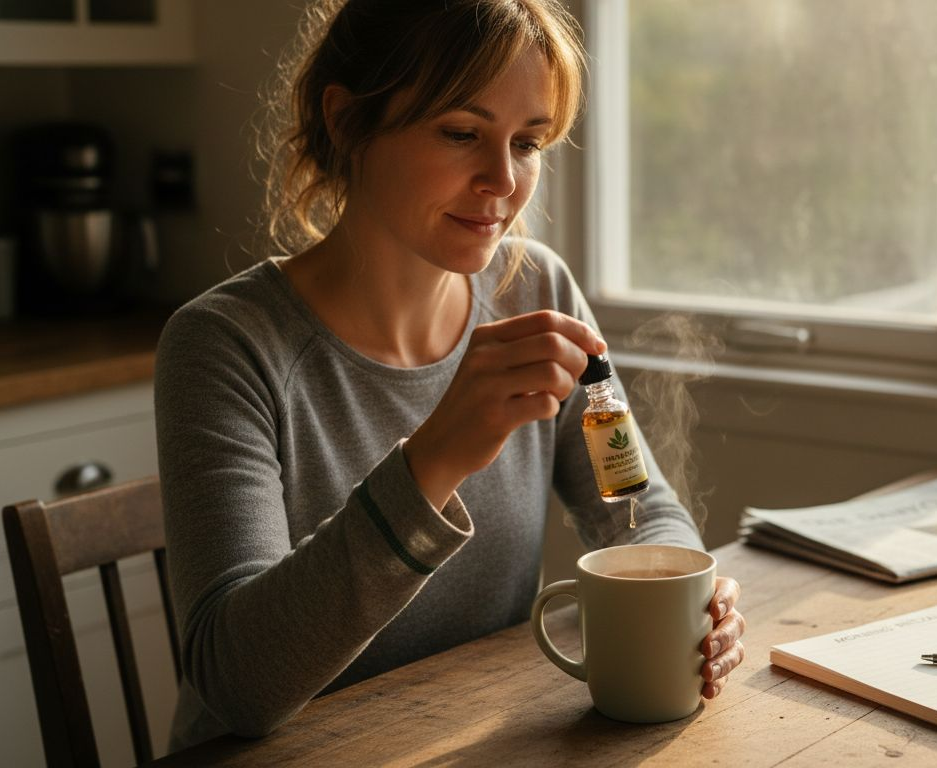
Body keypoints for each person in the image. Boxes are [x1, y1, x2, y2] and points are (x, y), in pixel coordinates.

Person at [154, 0, 746, 751]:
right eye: (462, 133)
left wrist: (693, 595)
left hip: (468, 741)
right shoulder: (225, 345)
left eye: (527, 142)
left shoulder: (538, 293)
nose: (502, 179)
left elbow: (635, 507)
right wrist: (436, 458)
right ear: (346, 121)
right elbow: (238, 685)